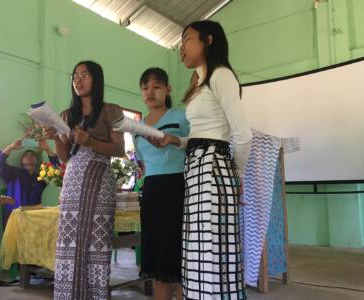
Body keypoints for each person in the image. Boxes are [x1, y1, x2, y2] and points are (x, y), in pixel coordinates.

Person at [151, 21, 252, 299]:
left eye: (187, 39)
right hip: (197, 168)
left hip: (212, 171)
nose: (181, 47)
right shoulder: (199, 83)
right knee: (197, 254)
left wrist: (238, 175)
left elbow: (242, 134)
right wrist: (176, 140)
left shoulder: (221, 76)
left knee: (212, 253)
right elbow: (203, 133)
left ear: (208, 41)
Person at [44, 60, 125, 300]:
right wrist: (55, 138)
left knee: (95, 240)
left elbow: (119, 149)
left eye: (85, 75)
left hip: (100, 177)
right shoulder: (67, 115)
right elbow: (64, 156)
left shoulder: (112, 110)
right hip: (73, 179)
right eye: (75, 75)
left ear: (96, 79)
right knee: (69, 242)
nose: (78, 80)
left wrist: (90, 142)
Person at [133, 68, 189, 300]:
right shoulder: (137, 128)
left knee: (176, 254)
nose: (150, 92)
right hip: (152, 191)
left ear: (167, 89)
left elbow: (196, 144)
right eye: (145, 87)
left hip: (177, 187)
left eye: (156, 86)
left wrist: (174, 140)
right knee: (156, 256)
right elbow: (142, 162)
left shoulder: (181, 116)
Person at [0, 138, 59, 226]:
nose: (29, 156)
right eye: (26, 155)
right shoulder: (13, 173)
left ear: (37, 161)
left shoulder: (42, 176)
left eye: (32, 155)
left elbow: (57, 170)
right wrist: (11, 147)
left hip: (35, 220)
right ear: (21, 160)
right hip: (15, 219)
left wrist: (47, 148)